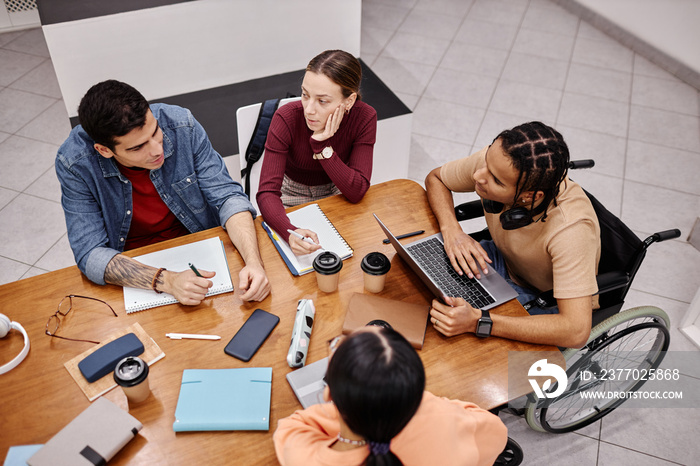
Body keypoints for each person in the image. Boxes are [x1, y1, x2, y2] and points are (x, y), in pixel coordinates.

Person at [56, 80, 270, 304]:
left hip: (198, 246)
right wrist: (166, 281)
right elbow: (90, 253)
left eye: (155, 132)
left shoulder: (181, 124)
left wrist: (253, 262)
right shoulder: (75, 163)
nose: (158, 150)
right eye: (138, 147)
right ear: (104, 150)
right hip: (133, 268)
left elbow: (227, 197)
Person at [424, 121, 600, 348]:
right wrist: (452, 231)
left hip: (543, 299)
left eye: (496, 180)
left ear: (530, 197)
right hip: (500, 259)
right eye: (486, 161)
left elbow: (576, 332)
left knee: (461, 351)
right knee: (423, 294)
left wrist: (479, 322)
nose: (478, 175)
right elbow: (436, 178)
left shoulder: (571, 231)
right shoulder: (498, 164)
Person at [273, 326, 508, 466]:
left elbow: (291, 427)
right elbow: (497, 432)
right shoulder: (442, 416)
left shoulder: (307, 456)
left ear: (328, 394)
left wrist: (342, 405)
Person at [257, 49, 377, 256]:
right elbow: (267, 192)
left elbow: (357, 190)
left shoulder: (364, 117)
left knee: (352, 255)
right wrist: (290, 233)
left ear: (348, 101)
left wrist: (322, 146)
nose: (309, 109)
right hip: (291, 193)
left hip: (338, 191)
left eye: (322, 101)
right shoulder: (286, 118)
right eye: (305, 95)